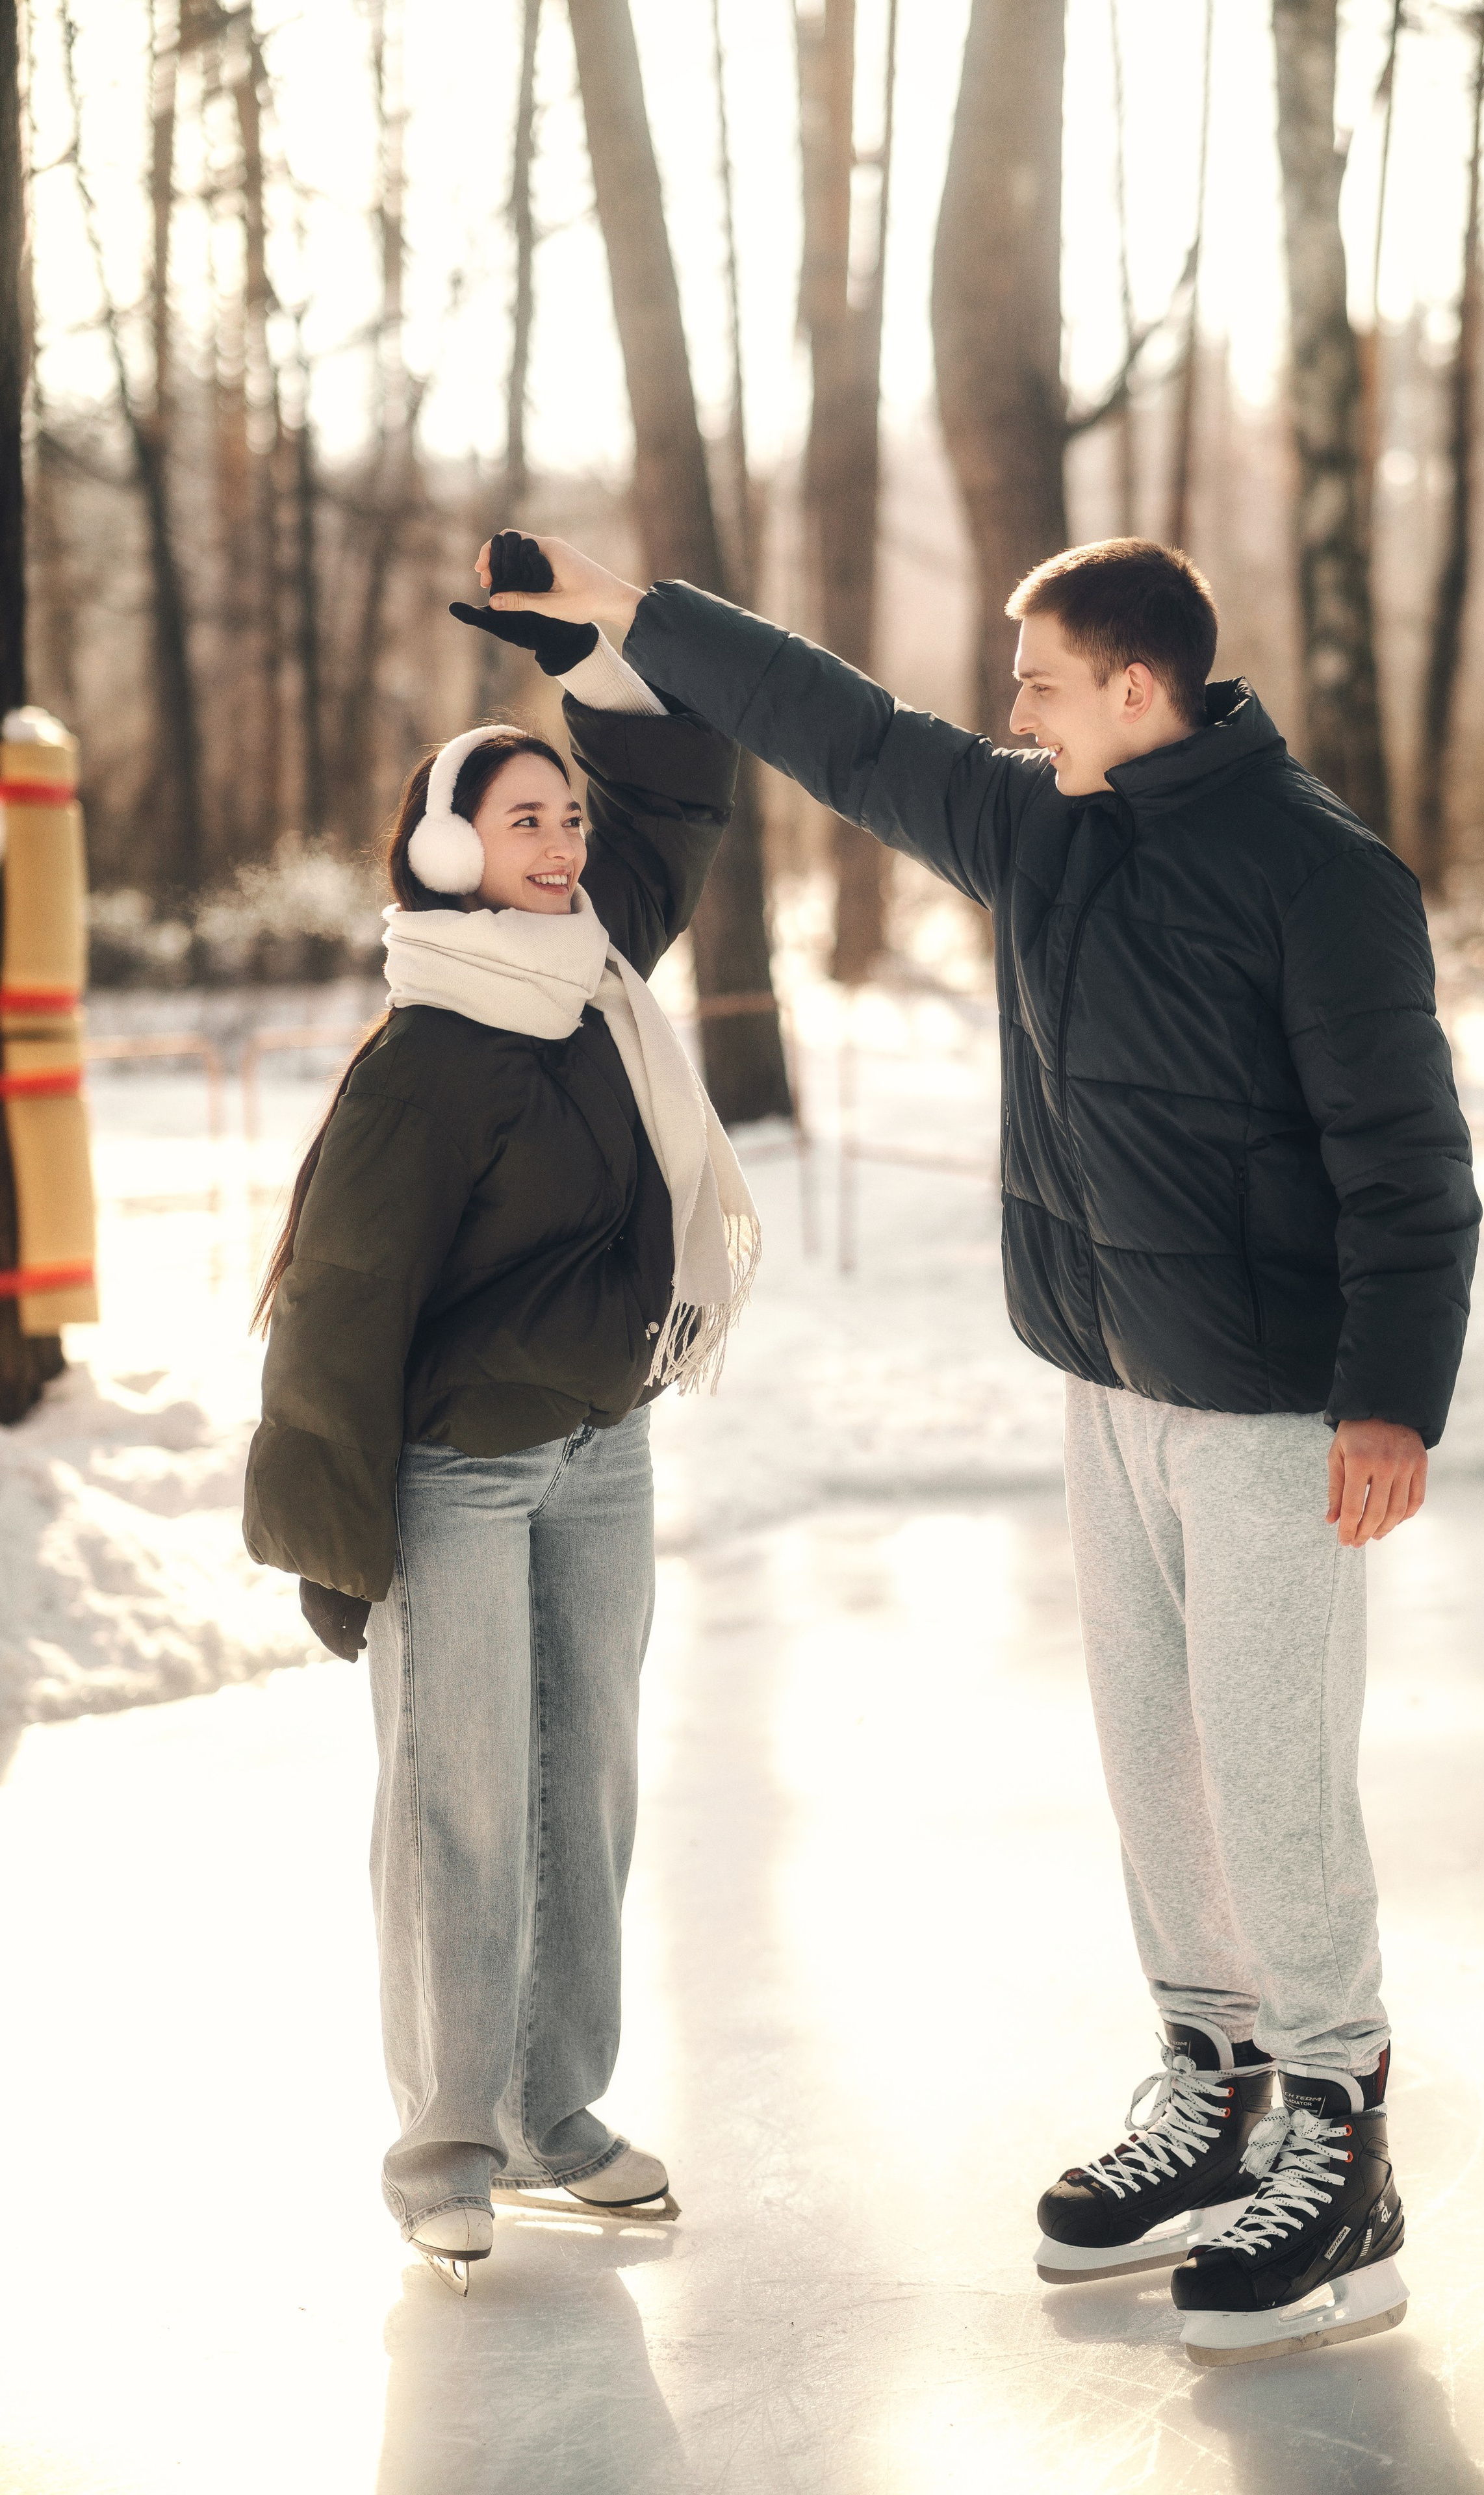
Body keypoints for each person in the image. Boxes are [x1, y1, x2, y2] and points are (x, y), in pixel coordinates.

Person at [476, 530, 1479, 2363]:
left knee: (1272, 1773)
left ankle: (1344, 2145)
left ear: (1136, 688)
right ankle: (1218, 2082)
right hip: (1112, 1383)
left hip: (1275, 1405)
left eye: (1040, 682)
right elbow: (846, 731)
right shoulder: (1042, 827)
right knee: (1158, 1758)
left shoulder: (1321, 876)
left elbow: (1409, 1160)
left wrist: (1394, 1397)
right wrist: (634, 618)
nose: (1013, 713)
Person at [244, 537, 758, 2292]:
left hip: (604, 1447)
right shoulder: (432, 1052)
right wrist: (334, 1548)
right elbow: (336, 1307)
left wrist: (585, 655)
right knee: (460, 1805)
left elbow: (679, 797)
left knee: (582, 1789)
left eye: (567, 817)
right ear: (451, 849)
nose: (564, 842)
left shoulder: (597, 969)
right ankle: (446, 2144)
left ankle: (552, 2113)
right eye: (525, 819)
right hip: (456, 1474)